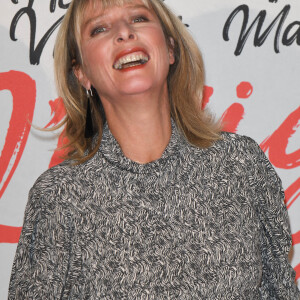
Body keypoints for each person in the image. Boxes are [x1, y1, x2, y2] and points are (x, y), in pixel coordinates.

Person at [8, 0, 300, 299]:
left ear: (171, 49)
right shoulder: (59, 196)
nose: (124, 33)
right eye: (100, 28)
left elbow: (281, 290)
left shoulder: (240, 164)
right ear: (81, 72)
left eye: (138, 17)